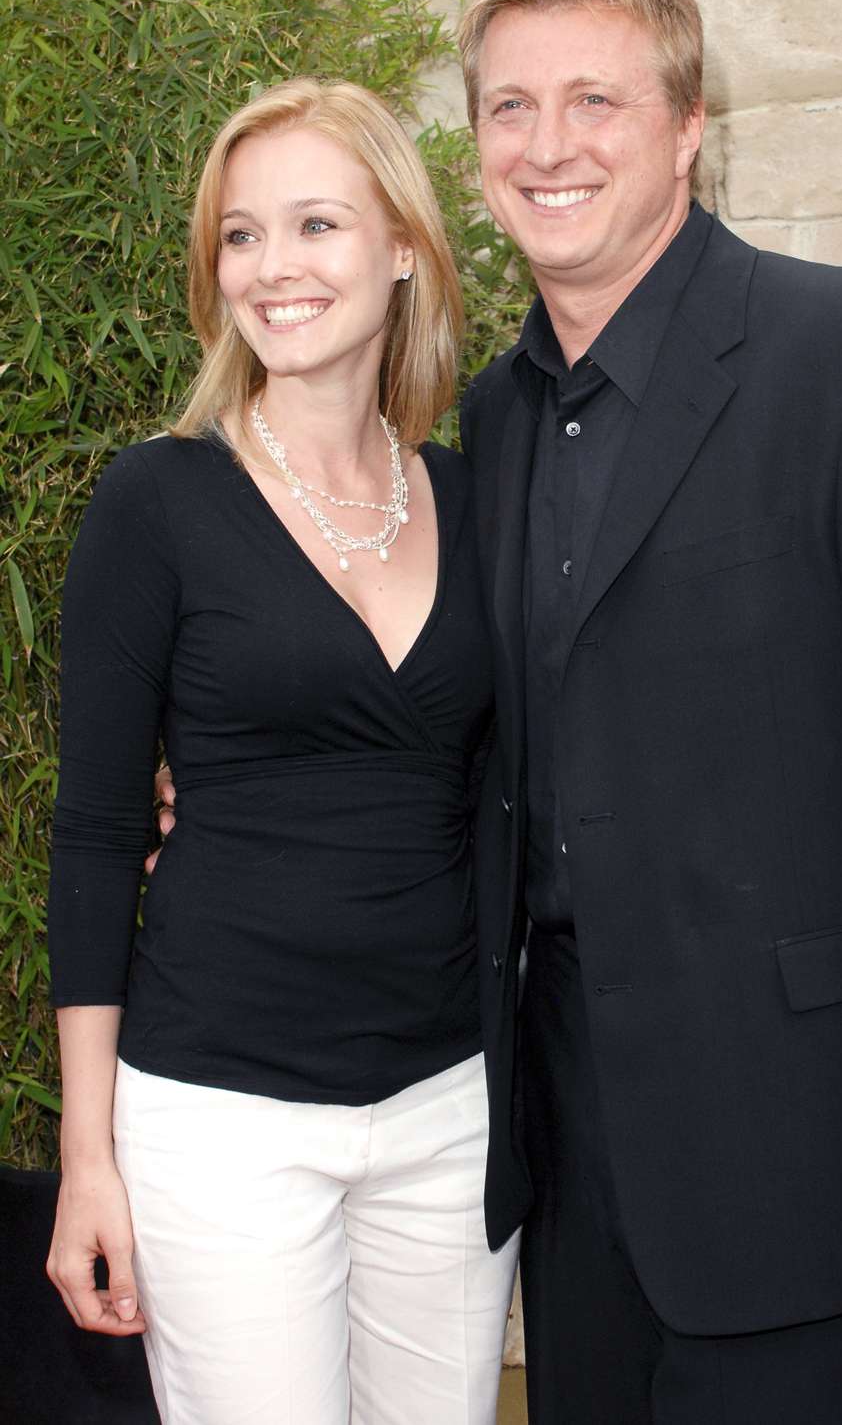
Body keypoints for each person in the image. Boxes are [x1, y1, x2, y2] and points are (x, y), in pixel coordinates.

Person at [452, 0, 842, 1425]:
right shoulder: (487, 422)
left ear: (689, 126)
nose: (547, 145)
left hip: (815, 1166)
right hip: (573, 1168)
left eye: (592, 101)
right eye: (509, 108)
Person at [44, 77, 517, 1425]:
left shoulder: (478, 496)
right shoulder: (159, 501)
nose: (273, 268)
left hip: (449, 1106)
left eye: (315, 224)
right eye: (240, 236)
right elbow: (92, 831)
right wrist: (90, 1158)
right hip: (222, 1117)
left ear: (405, 249)